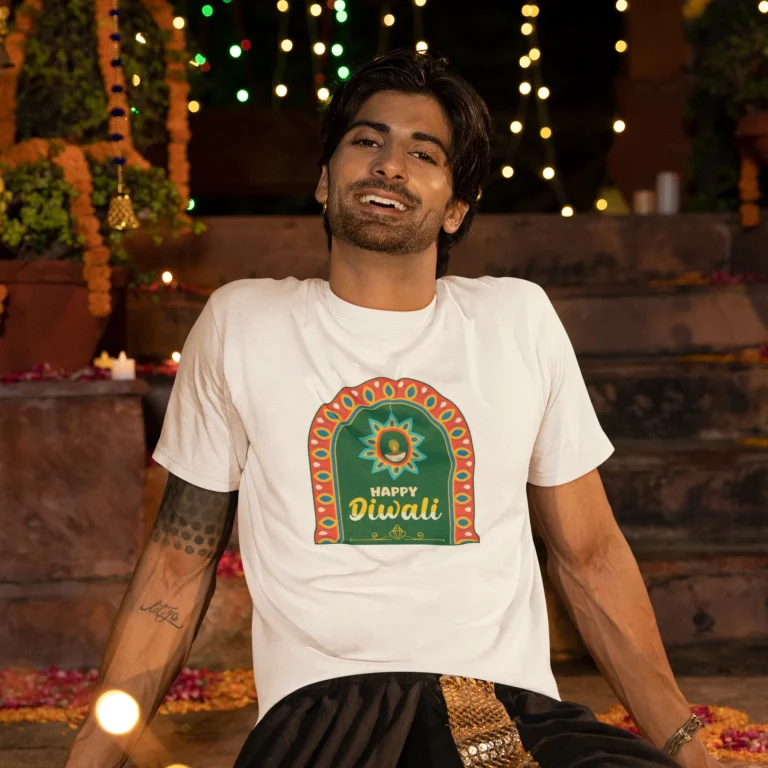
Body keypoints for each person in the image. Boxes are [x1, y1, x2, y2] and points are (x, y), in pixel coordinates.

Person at [66, 50, 722, 768]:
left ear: (457, 207)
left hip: (504, 712)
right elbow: (176, 565)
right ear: (325, 179)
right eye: (366, 140)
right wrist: (90, 758)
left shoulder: (517, 321)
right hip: (326, 721)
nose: (389, 164)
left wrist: (688, 750)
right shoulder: (243, 324)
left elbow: (590, 555)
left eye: (423, 152)